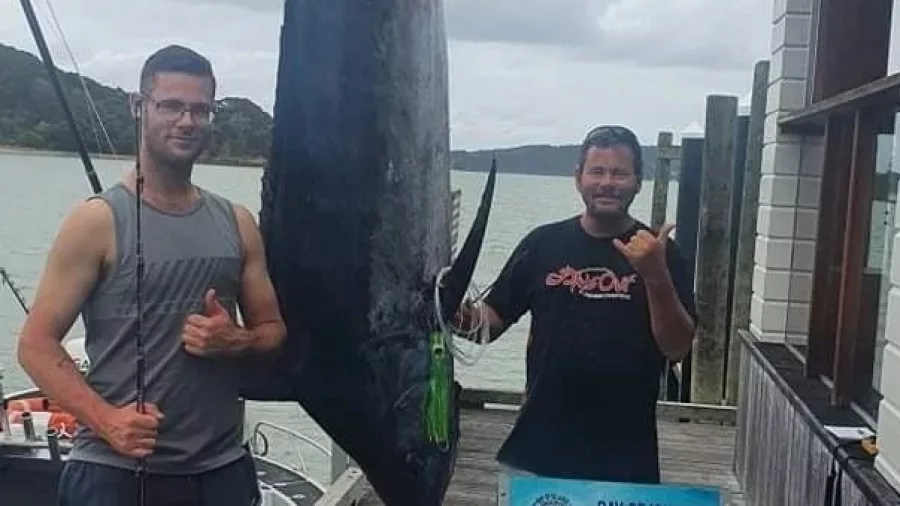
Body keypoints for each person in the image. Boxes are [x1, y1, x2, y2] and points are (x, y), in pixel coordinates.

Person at [16, 44, 287, 505]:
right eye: (171, 106)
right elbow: (35, 345)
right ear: (139, 107)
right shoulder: (96, 222)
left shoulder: (237, 222)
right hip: (113, 474)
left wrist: (235, 340)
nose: (186, 122)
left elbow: (273, 330)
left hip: (222, 473)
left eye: (200, 110)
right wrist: (107, 421)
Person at [454, 125, 697, 484]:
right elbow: (490, 322)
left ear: (638, 182)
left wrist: (655, 276)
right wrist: (443, 307)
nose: (607, 182)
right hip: (537, 451)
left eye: (619, 173)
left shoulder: (658, 254)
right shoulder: (542, 244)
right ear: (578, 178)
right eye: (597, 171)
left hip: (625, 459)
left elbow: (676, 348)